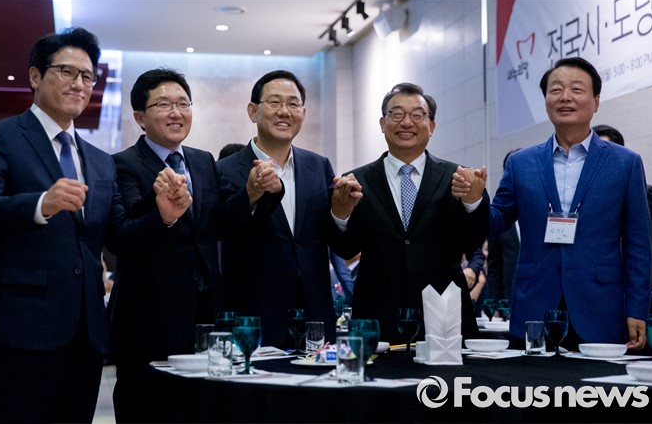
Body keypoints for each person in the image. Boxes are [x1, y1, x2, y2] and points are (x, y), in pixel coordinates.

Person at [0, 27, 190, 422]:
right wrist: (40, 204)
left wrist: (162, 216)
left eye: (87, 76)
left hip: (86, 333)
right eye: (67, 71)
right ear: (35, 76)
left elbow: (118, 237)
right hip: (21, 330)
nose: (79, 84)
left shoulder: (99, 160)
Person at [453, 57, 652, 350]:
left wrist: (637, 308)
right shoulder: (521, 163)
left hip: (601, 309)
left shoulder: (625, 163)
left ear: (596, 101)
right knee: (533, 380)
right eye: (556, 90)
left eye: (577, 89)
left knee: (600, 382)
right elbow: (495, 223)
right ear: (546, 101)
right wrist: (474, 200)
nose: (565, 97)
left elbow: (638, 245)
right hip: (535, 306)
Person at [331, 83, 490, 344]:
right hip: (377, 317)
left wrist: (473, 202)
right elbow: (346, 249)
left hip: (444, 317)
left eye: (417, 115)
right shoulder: (356, 182)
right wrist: (341, 214)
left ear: (432, 126)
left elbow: (475, 241)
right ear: (383, 124)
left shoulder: (460, 178)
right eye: (396, 114)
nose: (406, 122)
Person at [108, 68, 223, 422]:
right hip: (148, 322)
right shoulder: (122, 164)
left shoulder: (203, 160)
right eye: (163, 105)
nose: (176, 113)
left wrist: (253, 195)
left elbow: (214, 227)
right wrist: (164, 217)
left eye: (183, 104)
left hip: (205, 319)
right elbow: (121, 237)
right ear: (140, 117)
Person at [217, 70, 360, 348]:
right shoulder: (224, 169)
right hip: (255, 320)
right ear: (253, 111)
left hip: (315, 320)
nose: (284, 111)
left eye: (293, 104)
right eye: (274, 102)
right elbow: (220, 229)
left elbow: (339, 245)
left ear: (303, 113)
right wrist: (250, 194)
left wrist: (341, 213)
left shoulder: (319, 166)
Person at [593, 124, 652, 297]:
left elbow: (650, 250)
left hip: (627, 294)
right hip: (591, 293)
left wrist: (644, 295)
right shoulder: (584, 198)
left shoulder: (644, 193)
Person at [482, 149, 522, 304]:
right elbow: (494, 266)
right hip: (508, 298)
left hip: (541, 292)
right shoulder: (499, 218)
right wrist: (496, 303)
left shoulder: (544, 212)